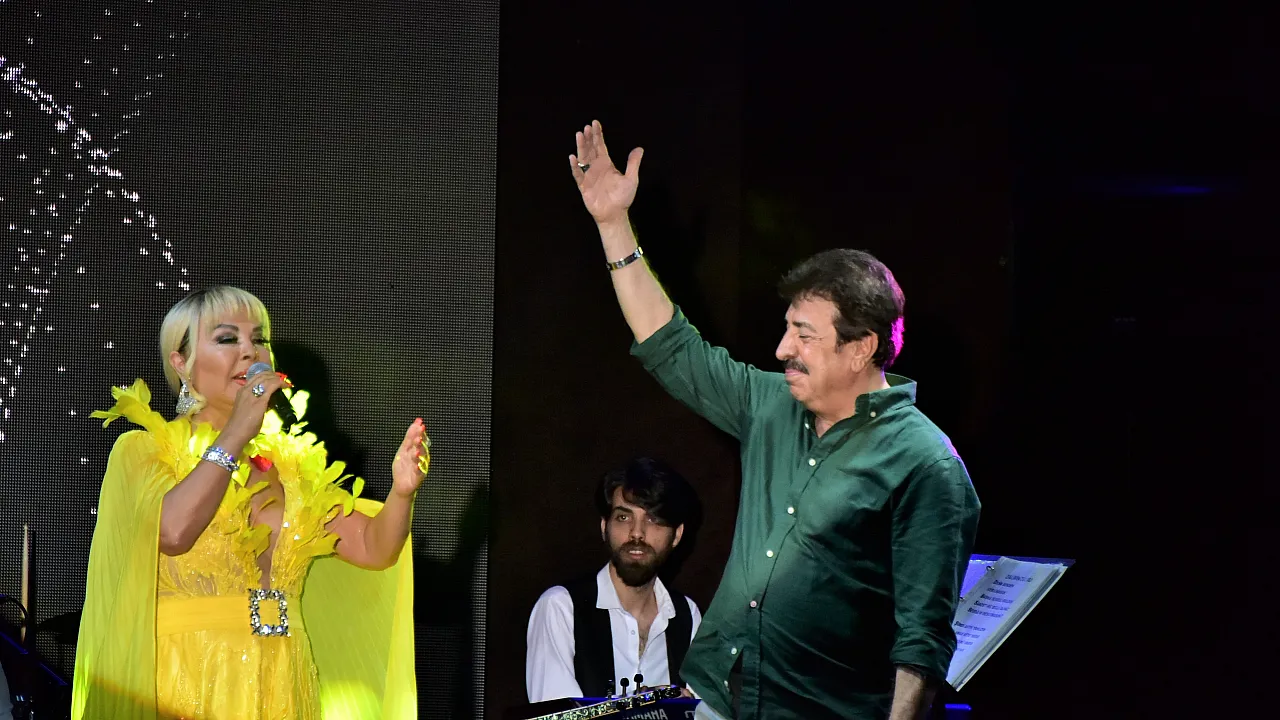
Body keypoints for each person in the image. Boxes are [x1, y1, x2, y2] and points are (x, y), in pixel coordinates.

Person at [567, 120, 981, 720]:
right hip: (719, 699)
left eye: (804, 335)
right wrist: (612, 225)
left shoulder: (925, 464)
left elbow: (922, 641)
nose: (783, 348)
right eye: (787, 328)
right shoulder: (771, 403)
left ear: (861, 348)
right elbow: (672, 347)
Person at [71, 286, 422, 719]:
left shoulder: (293, 467)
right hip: (188, 680)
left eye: (259, 339)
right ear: (181, 362)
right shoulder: (146, 450)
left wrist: (402, 491)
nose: (248, 351)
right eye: (227, 338)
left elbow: (374, 547)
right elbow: (173, 532)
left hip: (283, 682)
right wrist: (236, 432)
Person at [526, 457, 702, 702]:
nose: (637, 532)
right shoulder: (562, 607)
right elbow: (556, 713)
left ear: (677, 535)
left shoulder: (686, 615)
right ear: (604, 527)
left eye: (653, 519)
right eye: (623, 517)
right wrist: (642, 705)